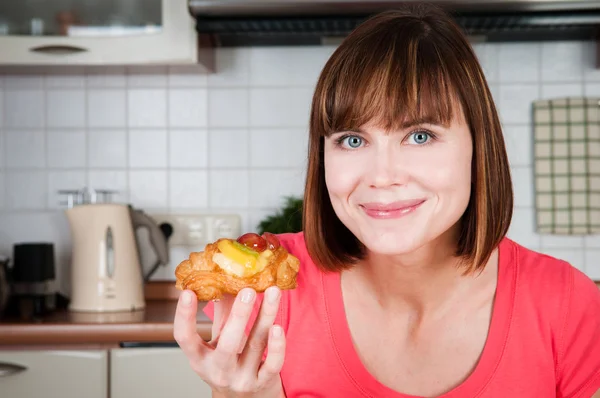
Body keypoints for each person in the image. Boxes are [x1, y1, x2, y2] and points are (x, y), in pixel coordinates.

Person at [173, 4, 600, 397]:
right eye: (353, 139)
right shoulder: (268, 291)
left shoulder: (567, 305)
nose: (381, 176)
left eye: (420, 136)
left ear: (478, 148)